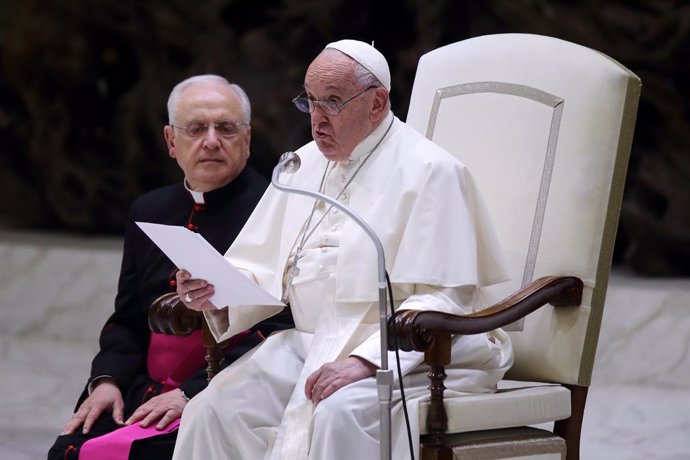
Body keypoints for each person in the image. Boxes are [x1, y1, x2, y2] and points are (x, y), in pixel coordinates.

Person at [172, 40, 514, 459]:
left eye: (332, 102)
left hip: (409, 351)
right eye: (310, 101)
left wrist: (366, 361)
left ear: (377, 103)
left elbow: (445, 296)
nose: (316, 120)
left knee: (337, 412)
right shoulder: (302, 164)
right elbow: (261, 267)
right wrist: (216, 290)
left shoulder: (431, 172)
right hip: (309, 343)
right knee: (212, 410)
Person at [47, 75, 293, 460]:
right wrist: (107, 380)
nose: (211, 140)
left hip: (221, 389)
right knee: (70, 451)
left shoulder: (277, 209)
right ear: (171, 141)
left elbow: (279, 325)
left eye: (226, 128)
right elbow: (127, 318)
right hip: (139, 388)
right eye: (196, 128)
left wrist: (190, 391)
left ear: (246, 140)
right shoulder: (149, 210)